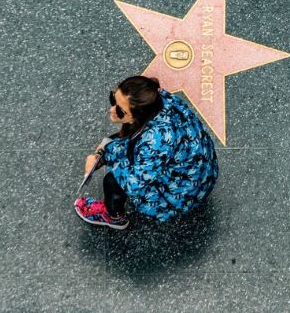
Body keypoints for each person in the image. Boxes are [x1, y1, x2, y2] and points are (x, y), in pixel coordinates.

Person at [75, 76, 219, 229]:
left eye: (120, 111)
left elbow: (133, 184)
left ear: (139, 116)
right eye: (113, 99)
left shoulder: (156, 140)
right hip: (202, 170)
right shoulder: (158, 99)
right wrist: (105, 152)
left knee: (113, 180)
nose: (112, 110)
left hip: (183, 195)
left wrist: (105, 155)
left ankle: (113, 217)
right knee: (117, 145)